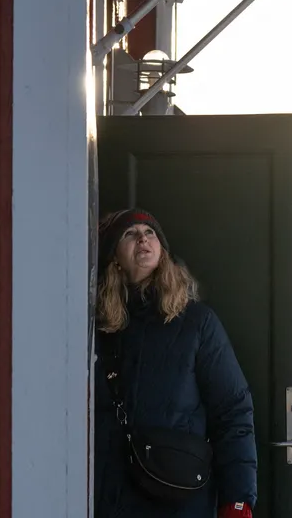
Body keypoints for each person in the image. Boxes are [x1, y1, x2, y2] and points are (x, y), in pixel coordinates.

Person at [93, 208, 258, 518]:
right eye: (130, 234)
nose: (142, 239)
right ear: (114, 256)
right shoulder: (99, 327)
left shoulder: (197, 323)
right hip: (110, 499)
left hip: (180, 499)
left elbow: (233, 411)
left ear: (162, 252)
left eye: (150, 232)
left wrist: (237, 500)